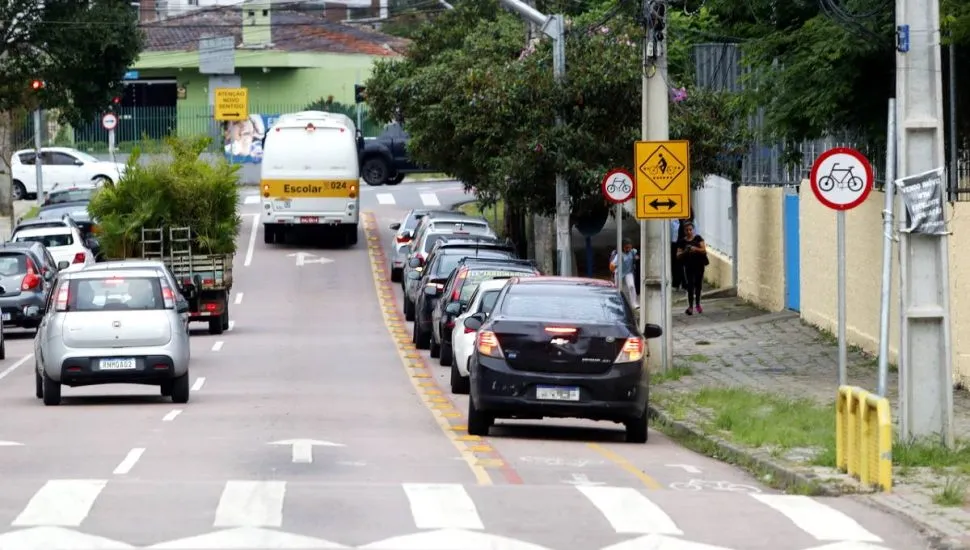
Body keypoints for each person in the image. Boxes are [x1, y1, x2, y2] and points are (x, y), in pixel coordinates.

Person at [676, 221, 708, 315]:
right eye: (687, 230)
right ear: (684, 231)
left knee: (698, 285)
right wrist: (685, 251)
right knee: (690, 286)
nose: (689, 231)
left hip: (699, 265)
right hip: (688, 266)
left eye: (690, 229)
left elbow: (704, 250)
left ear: (693, 230)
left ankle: (698, 304)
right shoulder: (682, 242)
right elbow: (678, 255)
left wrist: (695, 249)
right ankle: (690, 306)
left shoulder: (698, 238)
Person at [609, 238, 640, 308]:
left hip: (628, 272)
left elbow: (637, 256)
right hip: (619, 273)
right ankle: (618, 303)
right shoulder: (619, 255)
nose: (628, 249)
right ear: (623, 247)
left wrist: (636, 258)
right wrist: (613, 266)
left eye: (630, 247)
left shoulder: (633, 252)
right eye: (626, 247)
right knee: (618, 288)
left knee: (631, 286)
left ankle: (634, 303)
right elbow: (612, 265)